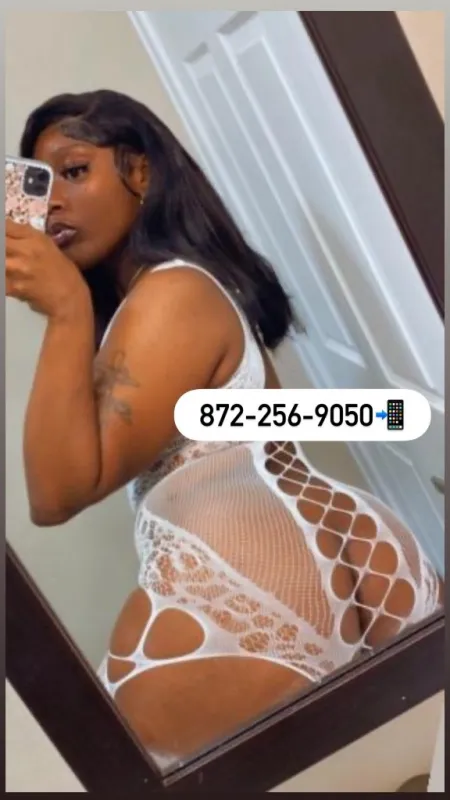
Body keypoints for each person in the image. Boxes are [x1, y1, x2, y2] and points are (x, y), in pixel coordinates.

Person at [7, 89, 443, 768]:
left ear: (140, 172)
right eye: (40, 183)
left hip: (248, 589)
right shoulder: (191, 293)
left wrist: (66, 310)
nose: (52, 202)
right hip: (356, 562)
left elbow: (57, 493)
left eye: (75, 170)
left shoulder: (171, 294)